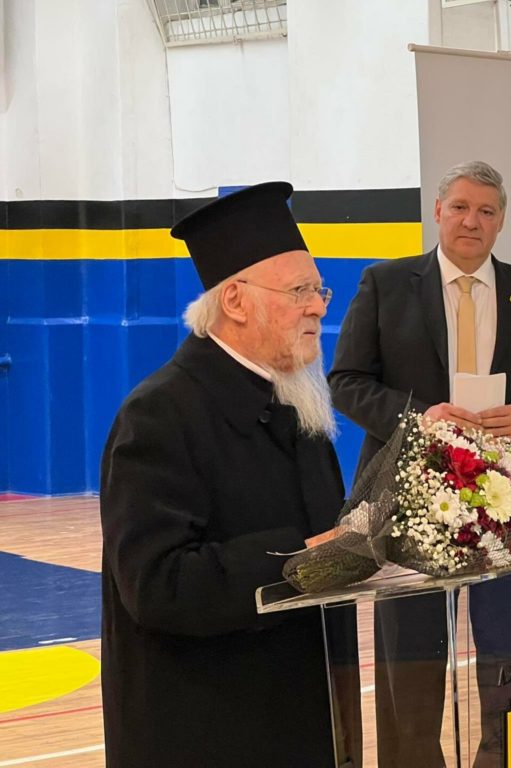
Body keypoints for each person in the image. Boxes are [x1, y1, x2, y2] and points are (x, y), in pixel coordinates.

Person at [328, 160, 511, 767]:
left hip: (507, 507)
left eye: (486, 211)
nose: (472, 221)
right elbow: (347, 382)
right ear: (438, 211)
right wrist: (420, 417)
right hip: (408, 504)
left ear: (501, 222)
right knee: (409, 661)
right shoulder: (385, 285)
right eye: (461, 207)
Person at [100, 182, 360, 768]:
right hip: (203, 729)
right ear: (237, 301)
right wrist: (300, 558)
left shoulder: (298, 408)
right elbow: (157, 585)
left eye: (319, 289)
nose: (319, 307)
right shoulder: (158, 415)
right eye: (299, 291)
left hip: (300, 717)